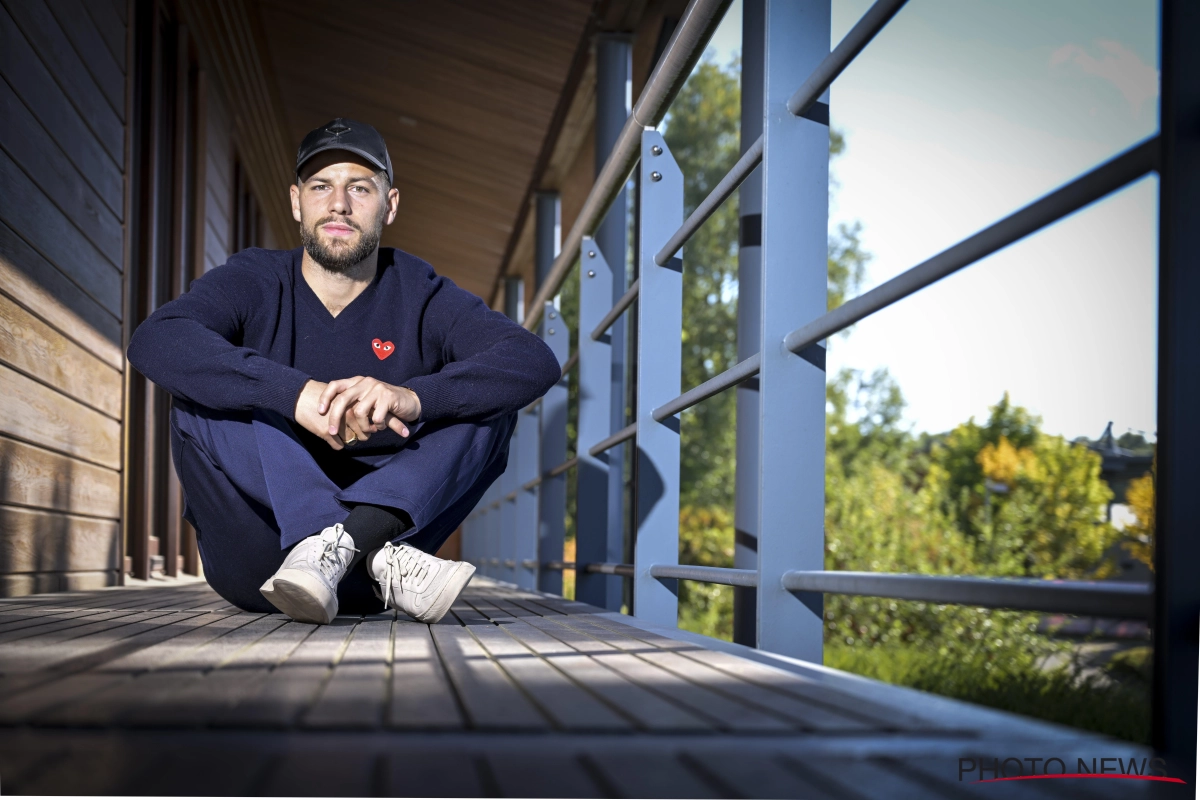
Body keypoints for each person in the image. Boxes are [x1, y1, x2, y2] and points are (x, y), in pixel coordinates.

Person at [127, 118, 561, 625]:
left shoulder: (420, 292)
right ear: (296, 202)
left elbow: (532, 358)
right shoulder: (257, 278)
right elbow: (156, 338)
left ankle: (350, 544)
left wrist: (413, 397)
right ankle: (353, 544)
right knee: (203, 389)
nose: (338, 204)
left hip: (381, 581)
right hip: (268, 570)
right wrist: (296, 395)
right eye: (321, 187)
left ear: (390, 204)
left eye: (359, 187)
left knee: (487, 405)